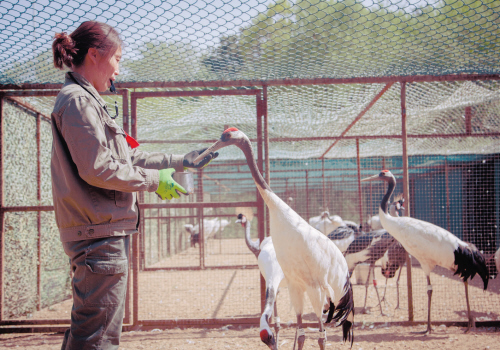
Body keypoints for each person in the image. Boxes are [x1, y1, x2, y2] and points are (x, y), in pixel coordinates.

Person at [51, 21, 217, 350]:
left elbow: (129, 157)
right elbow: (99, 168)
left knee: (93, 333)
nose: (118, 70)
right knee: (96, 340)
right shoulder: (78, 102)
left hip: (101, 235)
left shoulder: (87, 102)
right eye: (118, 59)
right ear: (95, 55)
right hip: (98, 237)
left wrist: (181, 160)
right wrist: (156, 181)